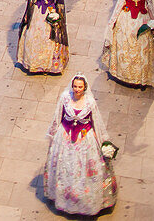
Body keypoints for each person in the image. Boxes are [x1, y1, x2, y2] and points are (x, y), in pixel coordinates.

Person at [43, 75, 118, 216]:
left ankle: (85, 200)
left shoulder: (89, 102)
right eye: (75, 86)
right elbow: (58, 116)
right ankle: (65, 197)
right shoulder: (65, 97)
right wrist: (53, 136)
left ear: (85, 88)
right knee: (66, 167)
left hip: (85, 139)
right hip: (65, 136)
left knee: (84, 169)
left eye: (80, 87)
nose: (77, 89)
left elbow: (96, 121)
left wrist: (102, 141)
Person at [102, 0, 154, 87]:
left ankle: (139, 77)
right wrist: (112, 21)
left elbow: (149, 5)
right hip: (126, 19)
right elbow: (120, 3)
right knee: (125, 45)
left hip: (141, 19)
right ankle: (123, 74)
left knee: (141, 48)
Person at [17, 0, 69, 75]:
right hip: (37, 12)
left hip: (50, 12)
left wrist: (58, 16)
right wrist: (28, 14)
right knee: (32, 36)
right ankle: (33, 64)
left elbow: (60, 3)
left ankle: (47, 66)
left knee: (48, 39)